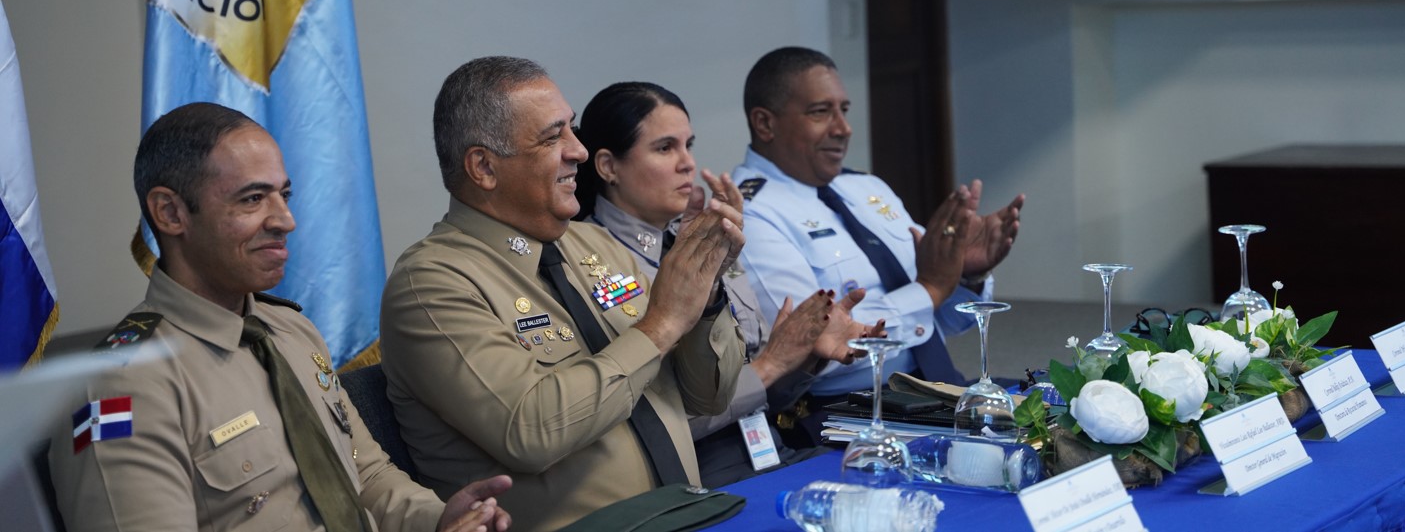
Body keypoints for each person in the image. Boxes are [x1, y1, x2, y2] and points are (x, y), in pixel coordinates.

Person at [48, 102, 511, 532]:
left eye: (283, 195)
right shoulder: (120, 386)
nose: (285, 220)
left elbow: (365, 474)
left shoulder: (290, 332)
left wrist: (438, 518)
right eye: (252, 199)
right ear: (170, 213)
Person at [380, 58, 745, 532]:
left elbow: (709, 395)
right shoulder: (432, 282)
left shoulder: (593, 246)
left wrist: (705, 292)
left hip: (688, 514)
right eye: (553, 138)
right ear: (484, 167)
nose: (578, 150)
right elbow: (530, 432)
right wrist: (661, 326)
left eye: (572, 130)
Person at [572, 81, 886, 486]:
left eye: (689, 145)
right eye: (665, 148)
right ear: (608, 166)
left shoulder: (705, 244)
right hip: (694, 478)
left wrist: (804, 356)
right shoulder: (589, 264)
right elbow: (647, 421)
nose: (687, 163)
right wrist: (772, 364)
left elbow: (757, 390)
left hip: (772, 449)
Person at [731, 47, 1024, 443]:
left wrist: (964, 276)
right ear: (765, 124)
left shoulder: (865, 188)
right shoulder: (750, 214)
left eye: (844, 110)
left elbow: (939, 324)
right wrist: (930, 288)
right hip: (849, 414)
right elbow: (810, 350)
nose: (843, 128)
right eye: (821, 112)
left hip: (934, 393)